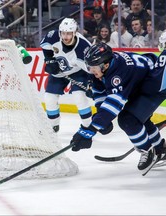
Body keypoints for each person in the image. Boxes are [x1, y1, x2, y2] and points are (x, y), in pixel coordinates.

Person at [70, 39, 166, 173]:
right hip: (139, 84)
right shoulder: (101, 67)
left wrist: (92, 128)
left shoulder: (119, 72)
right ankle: (161, 149)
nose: (91, 70)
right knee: (139, 119)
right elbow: (100, 91)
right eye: (89, 67)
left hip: (153, 84)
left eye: (94, 67)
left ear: (105, 65)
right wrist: (99, 114)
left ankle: (148, 151)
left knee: (128, 120)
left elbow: (114, 104)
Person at [40, 18, 93, 133]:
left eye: (69, 33)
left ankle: (88, 126)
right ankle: (53, 126)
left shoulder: (84, 47)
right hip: (59, 71)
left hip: (79, 71)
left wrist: (91, 85)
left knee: (79, 96)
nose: (65, 37)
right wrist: (49, 60)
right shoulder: (53, 36)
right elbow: (46, 47)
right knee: (49, 98)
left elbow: (92, 70)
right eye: (63, 33)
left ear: (75, 33)